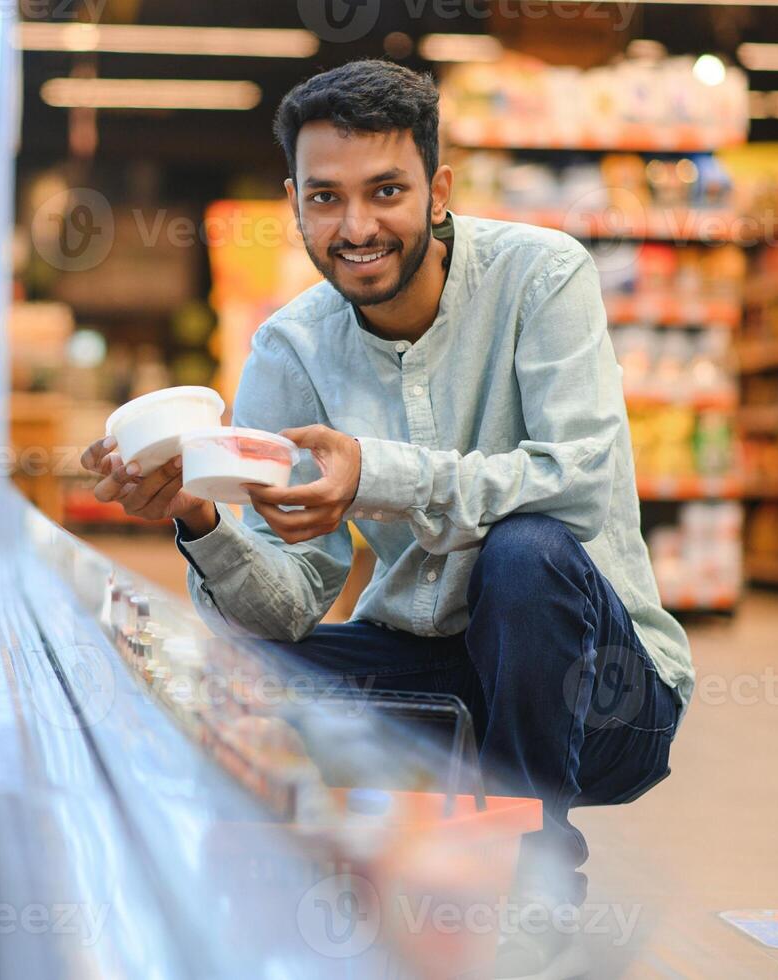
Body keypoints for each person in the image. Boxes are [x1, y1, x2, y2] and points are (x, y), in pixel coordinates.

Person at [80, 59, 691, 977]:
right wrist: (204, 522)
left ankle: (532, 876)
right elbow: (290, 605)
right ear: (295, 202)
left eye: (386, 192)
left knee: (524, 555)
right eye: (325, 197)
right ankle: (294, 900)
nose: (356, 227)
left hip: (600, 701)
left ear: (437, 188)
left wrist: (376, 474)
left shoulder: (540, 277)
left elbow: (575, 480)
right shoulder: (289, 346)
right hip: (437, 686)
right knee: (226, 667)